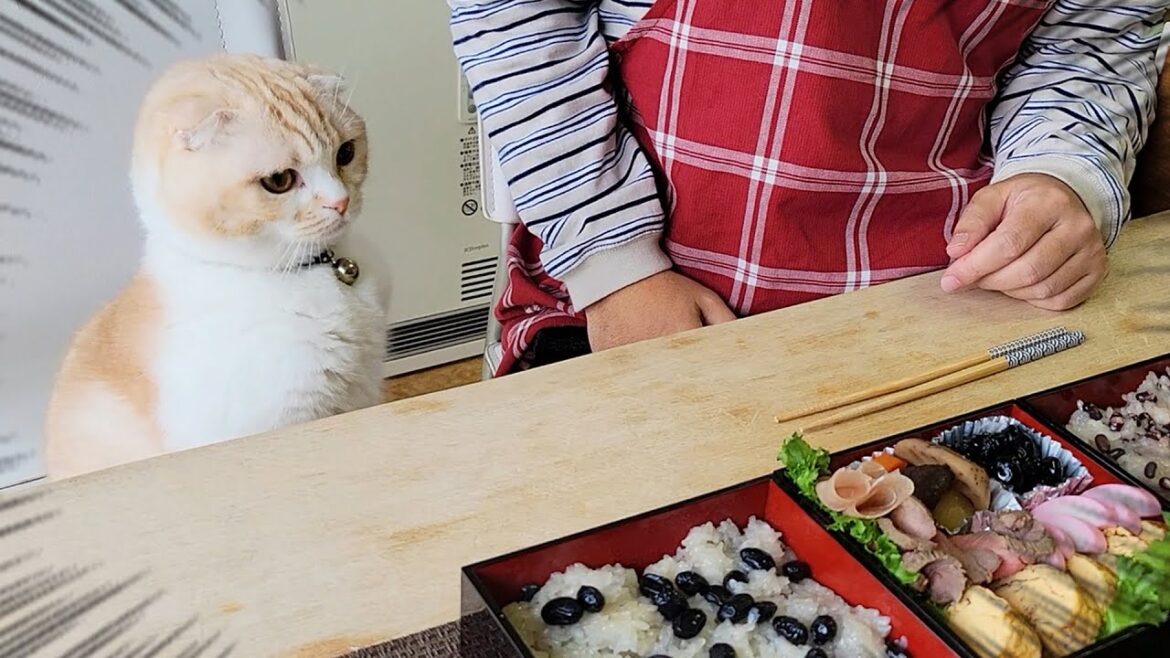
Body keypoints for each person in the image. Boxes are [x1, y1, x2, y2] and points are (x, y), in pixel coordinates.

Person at [448, 1, 1169, 376]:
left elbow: (1088, 42)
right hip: (636, 309)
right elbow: (515, 13)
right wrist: (613, 265)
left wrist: (1059, 173)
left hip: (931, 317)